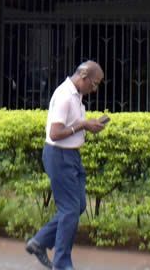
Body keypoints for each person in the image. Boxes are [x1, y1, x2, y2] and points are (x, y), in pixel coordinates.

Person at [26, 61, 109, 270]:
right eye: (94, 83)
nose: (94, 89)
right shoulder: (64, 96)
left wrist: (87, 125)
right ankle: (62, 263)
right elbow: (55, 133)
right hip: (59, 156)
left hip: (71, 156)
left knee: (77, 206)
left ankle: (39, 241)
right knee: (70, 210)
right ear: (83, 76)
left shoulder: (76, 95)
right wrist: (83, 124)